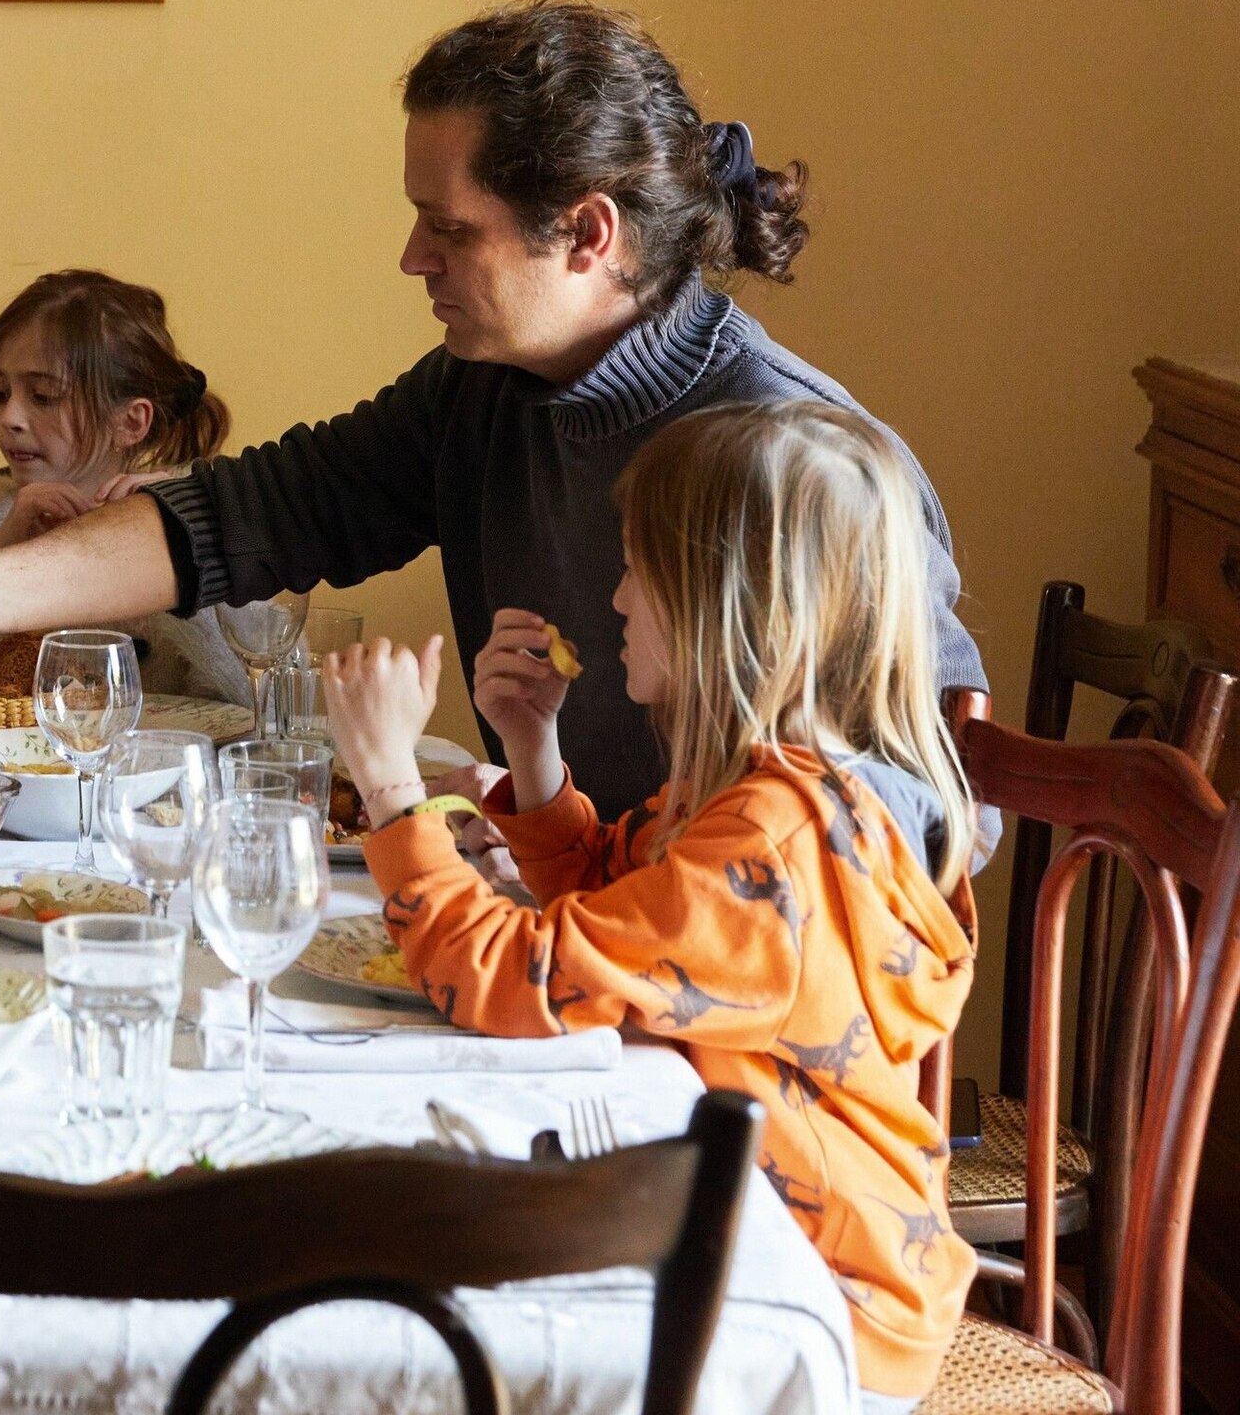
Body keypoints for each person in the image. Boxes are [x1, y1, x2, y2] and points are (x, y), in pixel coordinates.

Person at [0, 0, 987, 821]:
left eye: (449, 228)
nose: (414, 258)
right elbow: (244, 515)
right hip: (574, 934)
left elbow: (930, 812)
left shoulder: (794, 457)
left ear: (589, 232)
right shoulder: (486, 394)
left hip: (704, 1023)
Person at [319, 401, 979, 1407]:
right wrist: (531, 752)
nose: (616, 598)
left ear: (724, 605)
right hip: (761, 1231)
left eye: (638, 570)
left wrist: (390, 785)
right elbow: (610, 912)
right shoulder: (765, 792)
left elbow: (508, 975)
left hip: (818, 1301)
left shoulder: (771, 844)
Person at [0, 270, 245, 702]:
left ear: (130, 422)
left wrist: (174, 555)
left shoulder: (209, 520)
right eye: (1, 392)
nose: (9, 417)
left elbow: (256, 703)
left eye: (43, 396)